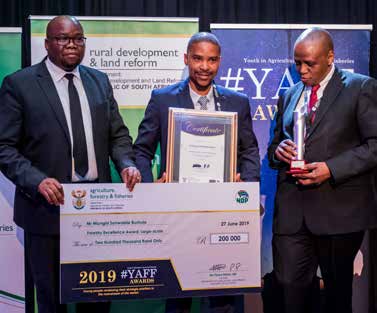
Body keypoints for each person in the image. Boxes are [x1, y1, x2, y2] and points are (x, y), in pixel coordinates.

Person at [0, 15, 141, 313]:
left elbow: (118, 135)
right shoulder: (20, 85)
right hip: (46, 211)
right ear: (48, 43)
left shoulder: (99, 81)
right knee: (53, 302)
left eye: (78, 38)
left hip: (97, 212)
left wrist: (127, 163)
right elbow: (4, 147)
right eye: (64, 39)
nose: (72, 45)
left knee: (98, 301)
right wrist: (36, 180)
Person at [134, 32, 260, 313]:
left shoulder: (237, 102)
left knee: (225, 290)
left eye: (212, 60)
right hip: (178, 212)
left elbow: (249, 150)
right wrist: (149, 188)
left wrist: (247, 187)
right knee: (178, 292)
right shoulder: (163, 99)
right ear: (186, 59)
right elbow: (141, 150)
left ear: (219, 63)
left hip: (223, 212)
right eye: (198, 59)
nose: (205, 66)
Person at [268, 27, 377, 313]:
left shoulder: (361, 88)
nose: (302, 70)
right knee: (289, 291)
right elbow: (274, 145)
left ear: (330, 57)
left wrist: (331, 168)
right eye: (297, 63)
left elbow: (375, 145)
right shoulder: (290, 94)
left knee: (337, 297)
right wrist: (279, 151)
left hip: (338, 211)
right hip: (292, 214)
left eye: (309, 64)